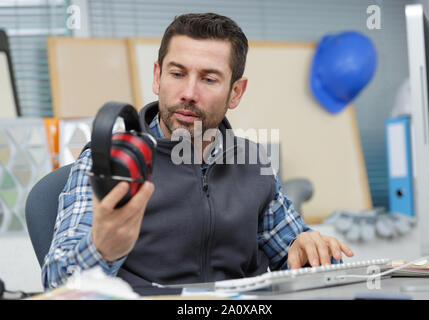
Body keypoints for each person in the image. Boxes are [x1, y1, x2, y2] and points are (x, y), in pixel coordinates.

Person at [42, 13, 353, 295]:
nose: (189, 93)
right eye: (177, 74)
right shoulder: (113, 160)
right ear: (157, 77)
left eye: (208, 79)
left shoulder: (253, 162)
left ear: (236, 92)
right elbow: (57, 281)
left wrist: (309, 249)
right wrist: (102, 249)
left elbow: (299, 258)